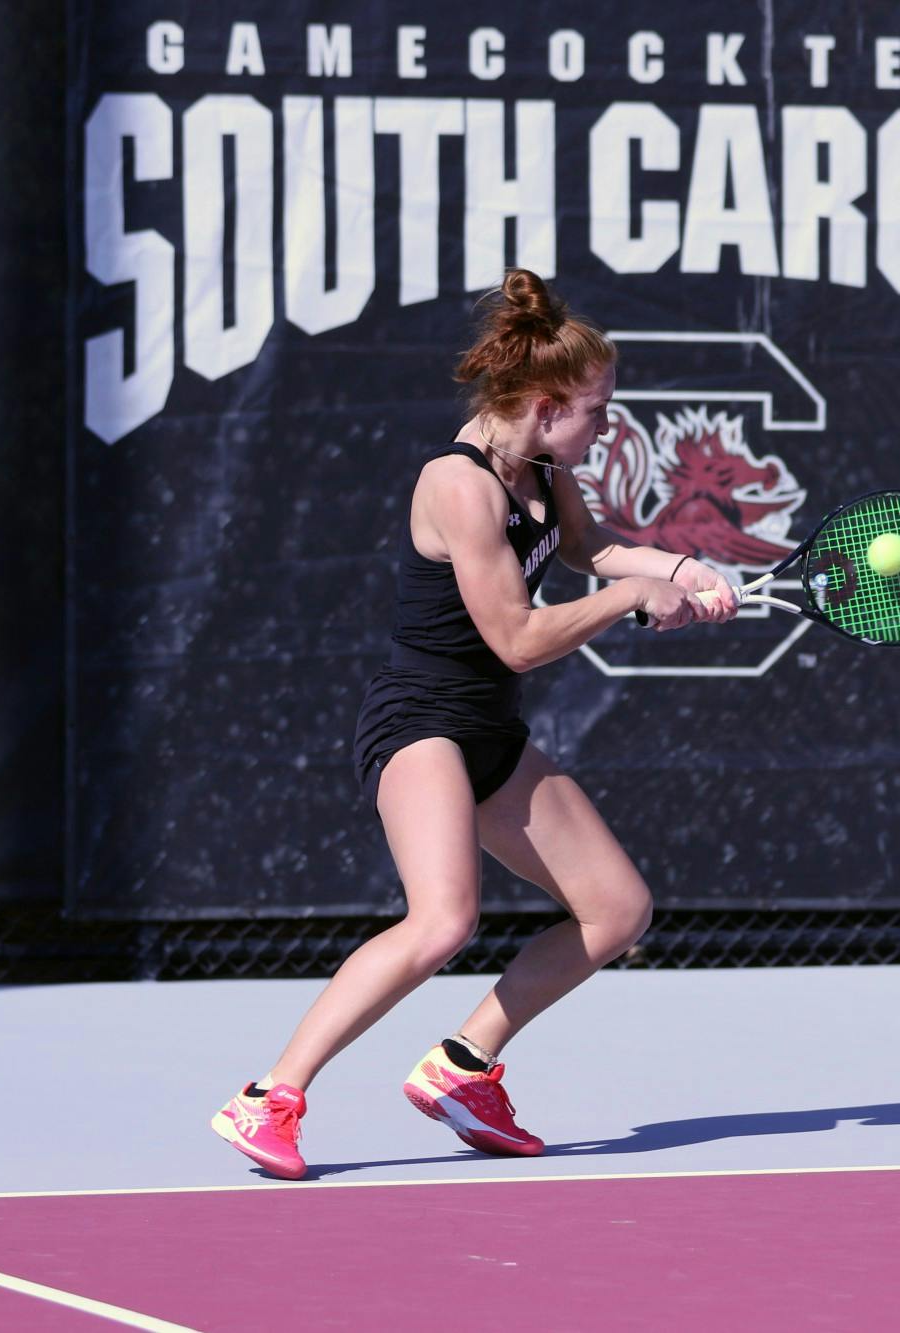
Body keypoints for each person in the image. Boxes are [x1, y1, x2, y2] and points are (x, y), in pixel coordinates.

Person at [211, 269, 739, 1179]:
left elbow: (594, 549)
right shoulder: (457, 485)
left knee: (616, 910)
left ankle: (462, 1066)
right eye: (597, 411)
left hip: (487, 724)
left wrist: (684, 572)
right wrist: (626, 600)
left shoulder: (539, 466)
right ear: (543, 403)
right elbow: (520, 637)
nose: (607, 426)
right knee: (444, 917)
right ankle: (270, 1096)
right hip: (420, 722)